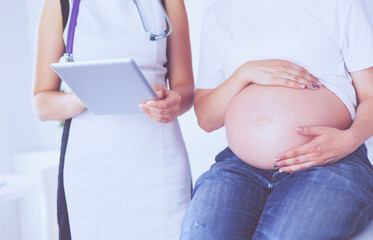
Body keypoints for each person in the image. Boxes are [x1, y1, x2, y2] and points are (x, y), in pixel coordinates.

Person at [180, 0, 373, 239]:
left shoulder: (341, 4)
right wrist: (244, 73)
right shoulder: (218, 15)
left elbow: (371, 94)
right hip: (240, 167)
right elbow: (206, 119)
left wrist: (349, 140)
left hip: (328, 161)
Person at [32, 0, 194, 239]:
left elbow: (187, 90)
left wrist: (174, 101)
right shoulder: (61, 3)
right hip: (92, 171)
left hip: (159, 165)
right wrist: (84, 95)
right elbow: (41, 104)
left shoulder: (169, 2)